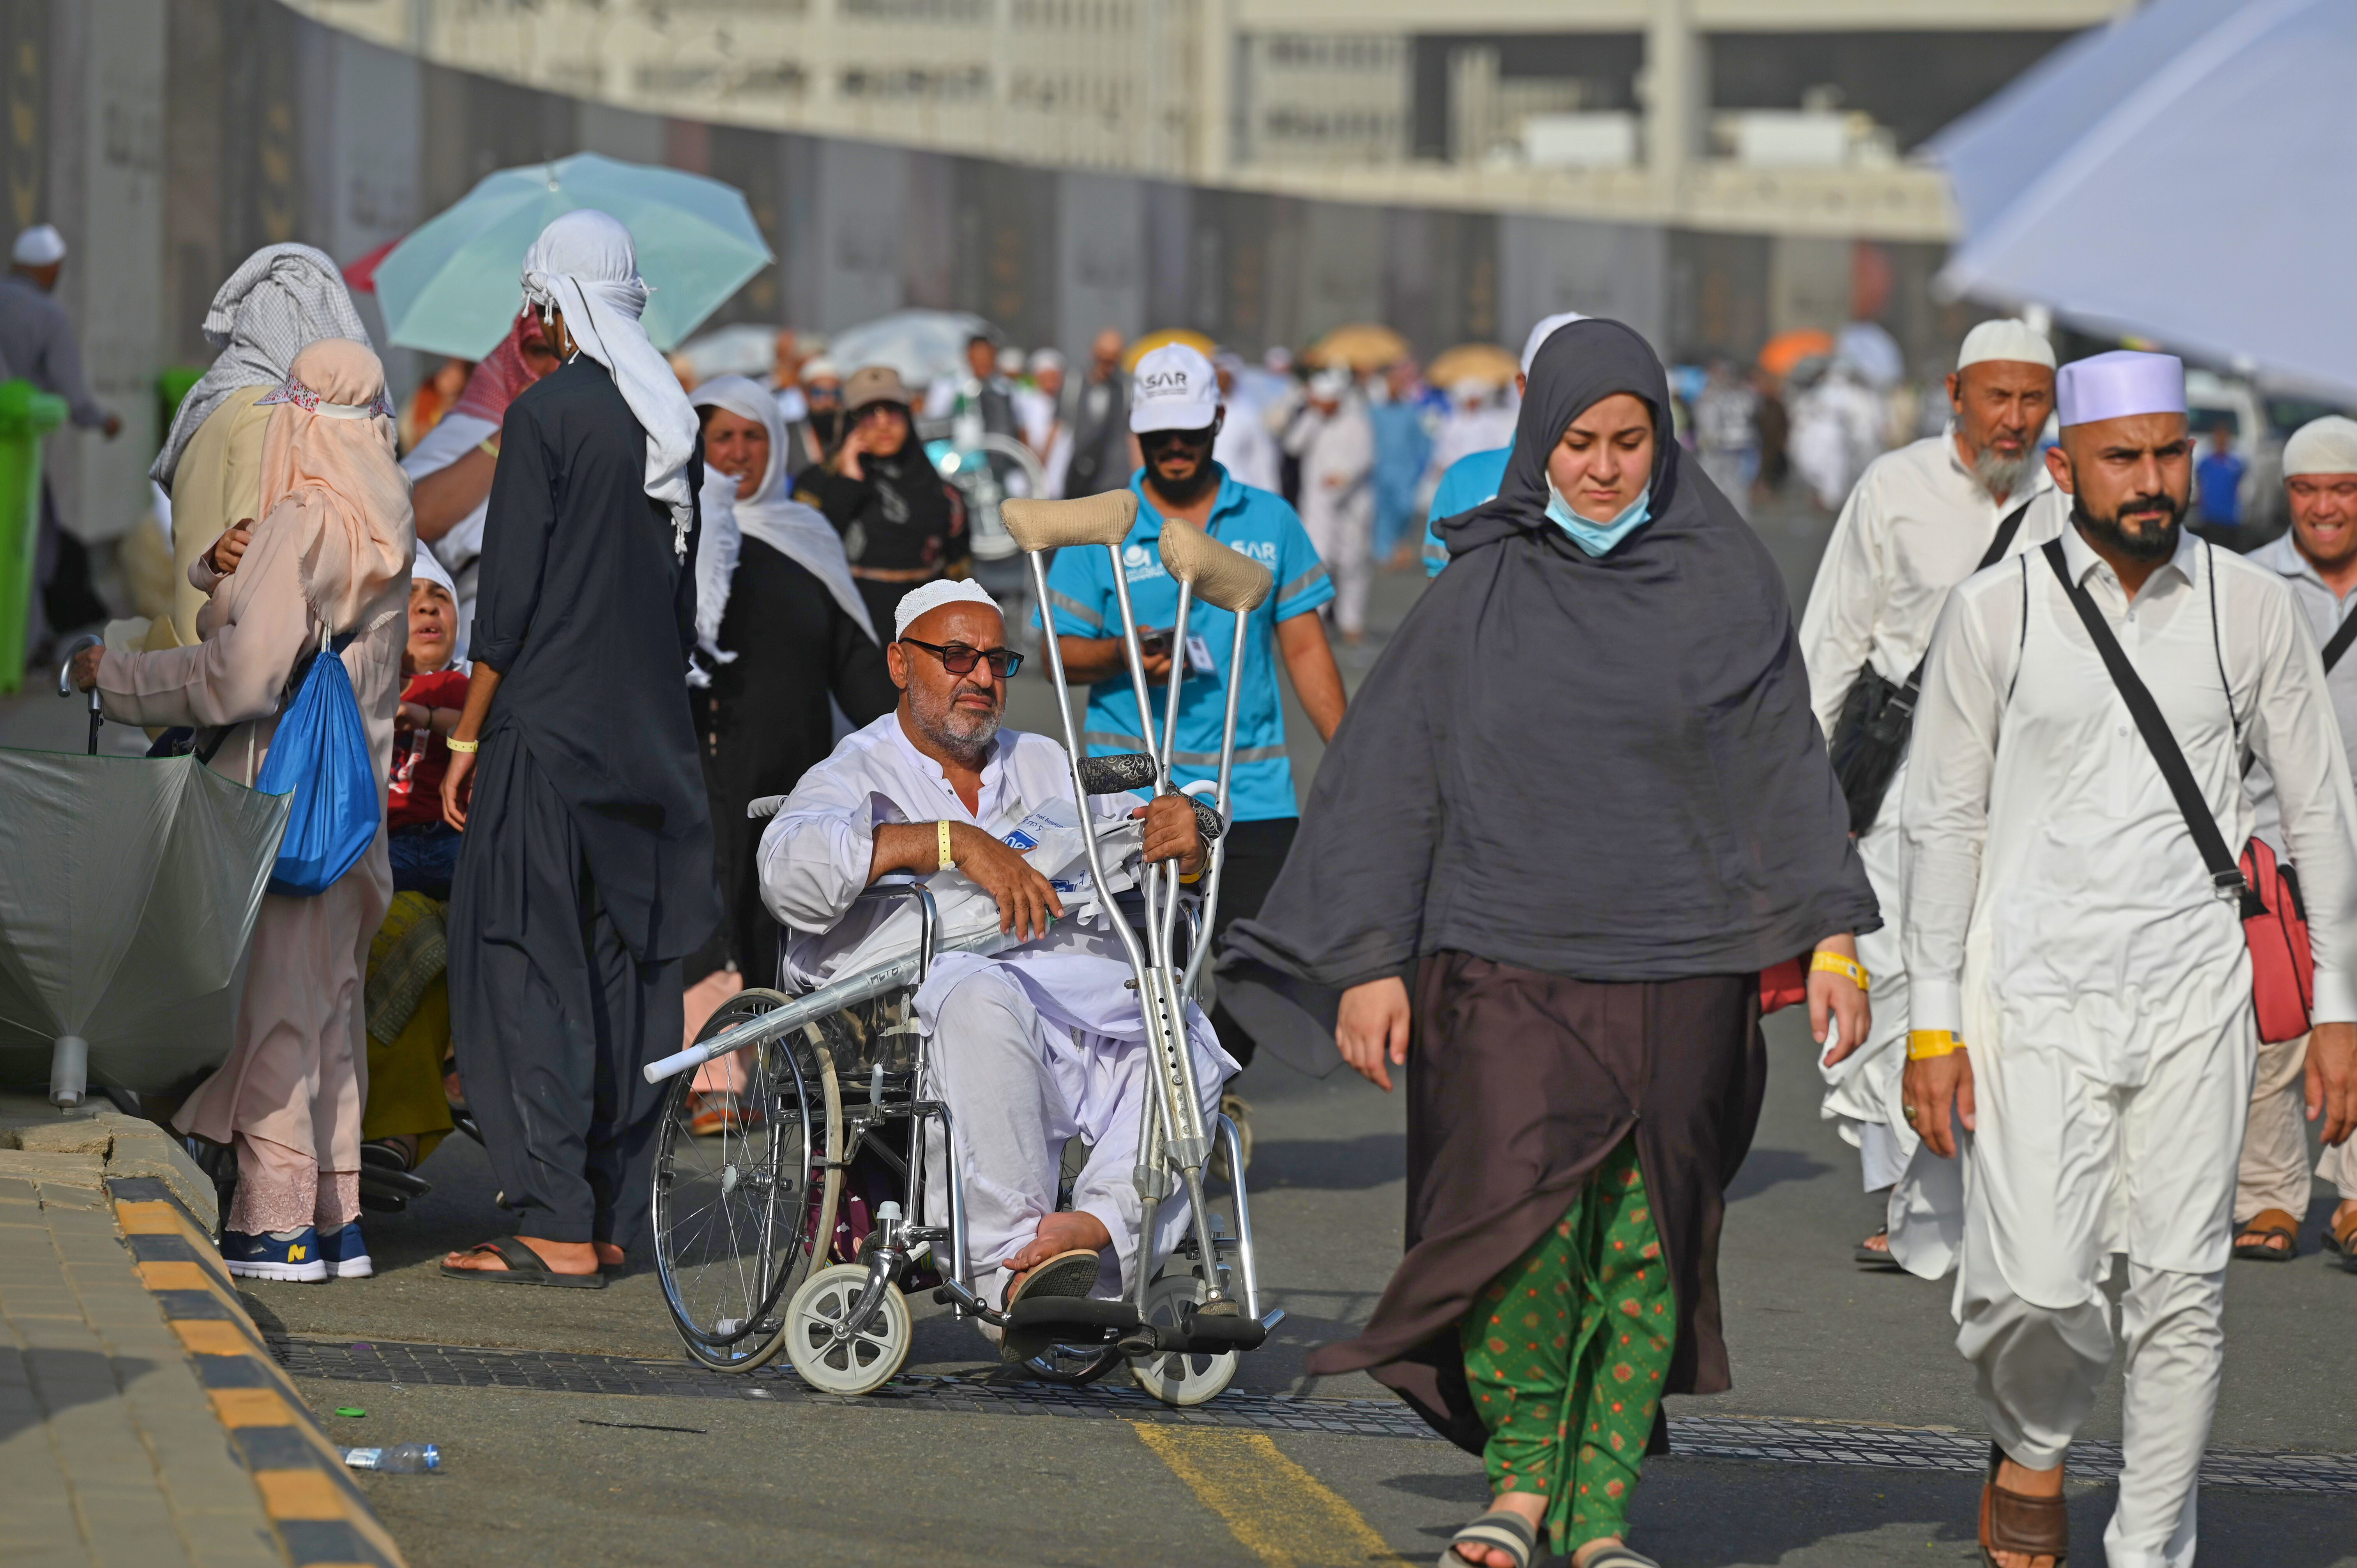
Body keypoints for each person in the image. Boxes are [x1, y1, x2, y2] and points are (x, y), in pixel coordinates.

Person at [1224, 318, 1877, 1568]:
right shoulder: (1481, 589)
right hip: (1502, 957)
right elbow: (1389, 777)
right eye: (1579, 441)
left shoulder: (1724, 576)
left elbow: (1783, 760)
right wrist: (1369, 961)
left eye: (1630, 442)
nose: (1603, 468)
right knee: (1516, 1223)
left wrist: (1833, 936)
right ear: (1538, 440)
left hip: (1684, 965)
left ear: (1663, 443)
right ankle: (1522, 1485)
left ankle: (1597, 1514)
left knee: (1647, 1237)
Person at [1893, 351, 2357, 1568]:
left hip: (2196, 990)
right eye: (2124, 458)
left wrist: (2343, 1007)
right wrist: (1931, 1019)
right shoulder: (1997, 610)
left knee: (2183, 1289)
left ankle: (2151, 1546)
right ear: (2065, 469)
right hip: (2030, 992)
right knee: (2037, 1287)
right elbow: (1941, 821)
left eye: (2169, 453)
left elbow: (2320, 814)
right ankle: (2034, 1442)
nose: (2153, 481)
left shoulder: (2253, 609)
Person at [761, 581, 1233, 1326]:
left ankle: (1095, 1228)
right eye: (955, 656)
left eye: (996, 659)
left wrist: (1188, 835)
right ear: (898, 663)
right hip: (926, 1006)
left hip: (1074, 999)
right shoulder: (856, 769)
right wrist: (949, 841)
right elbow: (789, 874)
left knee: (1178, 1024)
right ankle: (1010, 1267)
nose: (980, 676)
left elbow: (1166, 820)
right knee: (980, 992)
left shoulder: (1047, 762)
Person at [72, 339, 414, 1282]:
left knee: (274, 1017)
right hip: (357, 816)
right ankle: (337, 1220)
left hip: (281, 810)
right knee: (331, 1017)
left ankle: (272, 1226)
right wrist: (228, 570)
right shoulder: (388, 517)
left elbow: (242, 675)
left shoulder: (302, 516)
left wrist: (129, 680)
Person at [439, 210, 719, 1287]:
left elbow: (504, 605)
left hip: (547, 739)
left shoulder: (545, 415)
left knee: (520, 964)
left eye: (536, 300)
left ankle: (552, 1219)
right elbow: (684, 611)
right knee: (626, 978)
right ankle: (606, 1217)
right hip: (650, 742)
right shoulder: (671, 422)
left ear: (554, 301)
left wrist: (469, 734)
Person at [1796, 318, 2064, 1270]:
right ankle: (1916, 1197)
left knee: (1989, 979)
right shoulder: (1893, 488)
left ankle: (1972, 1199)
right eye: (1998, 397)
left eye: (2034, 399)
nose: (2015, 419)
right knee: (1899, 975)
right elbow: (1834, 636)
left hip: (2022, 782)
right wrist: (1801, 786)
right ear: (1956, 393)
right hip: (1898, 784)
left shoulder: (2068, 497)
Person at [1042, 342, 1345, 1113]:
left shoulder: (1269, 518)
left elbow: (1305, 644)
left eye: (1190, 431)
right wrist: (1124, 654)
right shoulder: (1106, 525)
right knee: (1145, 971)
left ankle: (1202, 1098)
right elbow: (1056, 653)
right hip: (1135, 792)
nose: (1176, 448)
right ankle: (1151, 1123)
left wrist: (1354, 750)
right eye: (1159, 434)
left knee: (1254, 969)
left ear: (1217, 420)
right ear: (1136, 434)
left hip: (1252, 791)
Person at [689, 374, 897, 993]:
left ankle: (773, 1085)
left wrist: (917, 738)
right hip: (695, 772)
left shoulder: (806, 536)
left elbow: (854, 662)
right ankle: (706, 1086)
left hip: (789, 777)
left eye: (754, 436)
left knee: (780, 929)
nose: (738, 452)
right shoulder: (672, 534)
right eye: (721, 436)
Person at [2232, 414, 2357, 1265]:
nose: (2324, 507)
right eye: (2308, 489)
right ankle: (2270, 1196)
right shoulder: (2248, 587)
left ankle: (2353, 1198)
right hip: (2275, 843)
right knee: (2275, 1025)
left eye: (2343, 489)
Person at [148, 243, 374, 651]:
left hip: (192, 668)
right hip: (232, 680)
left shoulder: (213, 400)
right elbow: (255, 565)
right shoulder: (268, 412)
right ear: (307, 326)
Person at [401, 313, 565, 663]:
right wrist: (515, 431)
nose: (555, 367)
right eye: (539, 350)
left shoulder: (609, 435)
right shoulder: (474, 428)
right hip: (481, 632)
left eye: (566, 352)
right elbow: (410, 517)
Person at [0, 224, 121, 649]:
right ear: (50, 269)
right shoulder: (48, 316)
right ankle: (25, 644)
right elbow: (73, 395)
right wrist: (103, 421)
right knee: (28, 546)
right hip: (16, 453)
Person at [794, 365, 970, 637]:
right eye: (869, 415)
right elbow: (809, 551)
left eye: (893, 411)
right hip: (853, 633)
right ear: (850, 421)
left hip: (925, 630)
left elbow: (959, 568)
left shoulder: (941, 491)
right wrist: (848, 482)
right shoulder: (817, 483)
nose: (883, 424)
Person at [1420, 313, 1583, 575]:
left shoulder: (1626, 482)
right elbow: (1443, 594)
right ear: (1523, 386)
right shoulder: (1464, 479)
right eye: (1553, 384)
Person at [386, 549, 469, 901]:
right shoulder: (370, 687)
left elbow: (479, 729)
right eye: (410, 596)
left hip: (453, 839)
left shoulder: (462, 686)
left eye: (441, 597)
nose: (427, 607)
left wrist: (425, 716)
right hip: (385, 845)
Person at [1285, 367, 1376, 644]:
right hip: (1318, 506)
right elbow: (1292, 446)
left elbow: (1366, 458)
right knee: (1317, 561)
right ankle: (1315, 620)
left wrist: (1343, 476)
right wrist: (1312, 417)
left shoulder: (1357, 422)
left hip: (1353, 505)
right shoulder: (1313, 421)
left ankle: (1352, 623)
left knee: (1352, 563)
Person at [1366, 360, 1433, 569]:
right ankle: (1385, 554)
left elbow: (1422, 442)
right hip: (1379, 472)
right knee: (1383, 514)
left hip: (1406, 473)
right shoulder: (1373, 412)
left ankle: (1400, 546)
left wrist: (1421, 468)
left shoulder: (1410, 412)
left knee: (1405, 510)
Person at [1064, 328, 1131, 498]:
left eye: (1113, 360)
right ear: (1094, 354)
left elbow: (1134, 437)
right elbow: (1058, 428)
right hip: (1079, 478)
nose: (1108, 366)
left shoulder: (1128, 388)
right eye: (1103, 359)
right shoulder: (1073, 385)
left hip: (1116, 481)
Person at [1693, 357, 1762, 517]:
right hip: (1740, 443)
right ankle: (1740, 518)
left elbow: (1707, 422)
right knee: (1736, 483)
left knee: (1714, 482)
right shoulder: (1743, 394)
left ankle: (1716, 518)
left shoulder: (1712, 396)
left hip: (1720, 444)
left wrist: (1705, 439)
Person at [1210, 351, 1281, 494]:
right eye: (1217, 377)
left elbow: (1263, 460)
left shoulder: (1249, 415)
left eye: (1225, 377)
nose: (1221, 382)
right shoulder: (1201, 413)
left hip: (1240, 491)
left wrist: (1271, 494)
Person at [1015, 348, 1072, 498]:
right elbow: (1025, 436)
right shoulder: (1026, 402)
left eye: (1055, 377)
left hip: (1058, 482)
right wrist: (1036, 468)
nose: (1052, 382)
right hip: (1033, 477)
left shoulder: (1065, 402)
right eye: (1047, 377)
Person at [399, 357, 472, 455]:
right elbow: (416, 434)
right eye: (448, 366)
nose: (448, 374)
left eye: (457, 370)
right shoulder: (428, 392)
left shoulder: (466, 404)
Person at [784, 355, 842, 475]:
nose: (828, 400)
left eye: (835, 392)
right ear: (805, 394)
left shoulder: (849, 431)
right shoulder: (788, 434)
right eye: (818, 392)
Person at [2193, 423, 2247, 545]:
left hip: (2230, 519)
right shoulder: (2206, 463)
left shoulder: (2236, 465)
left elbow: (2244, 488)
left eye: (2224, 438)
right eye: (2218, 438)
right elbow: (2199, 484)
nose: (2221, 441)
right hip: (2210, 517)